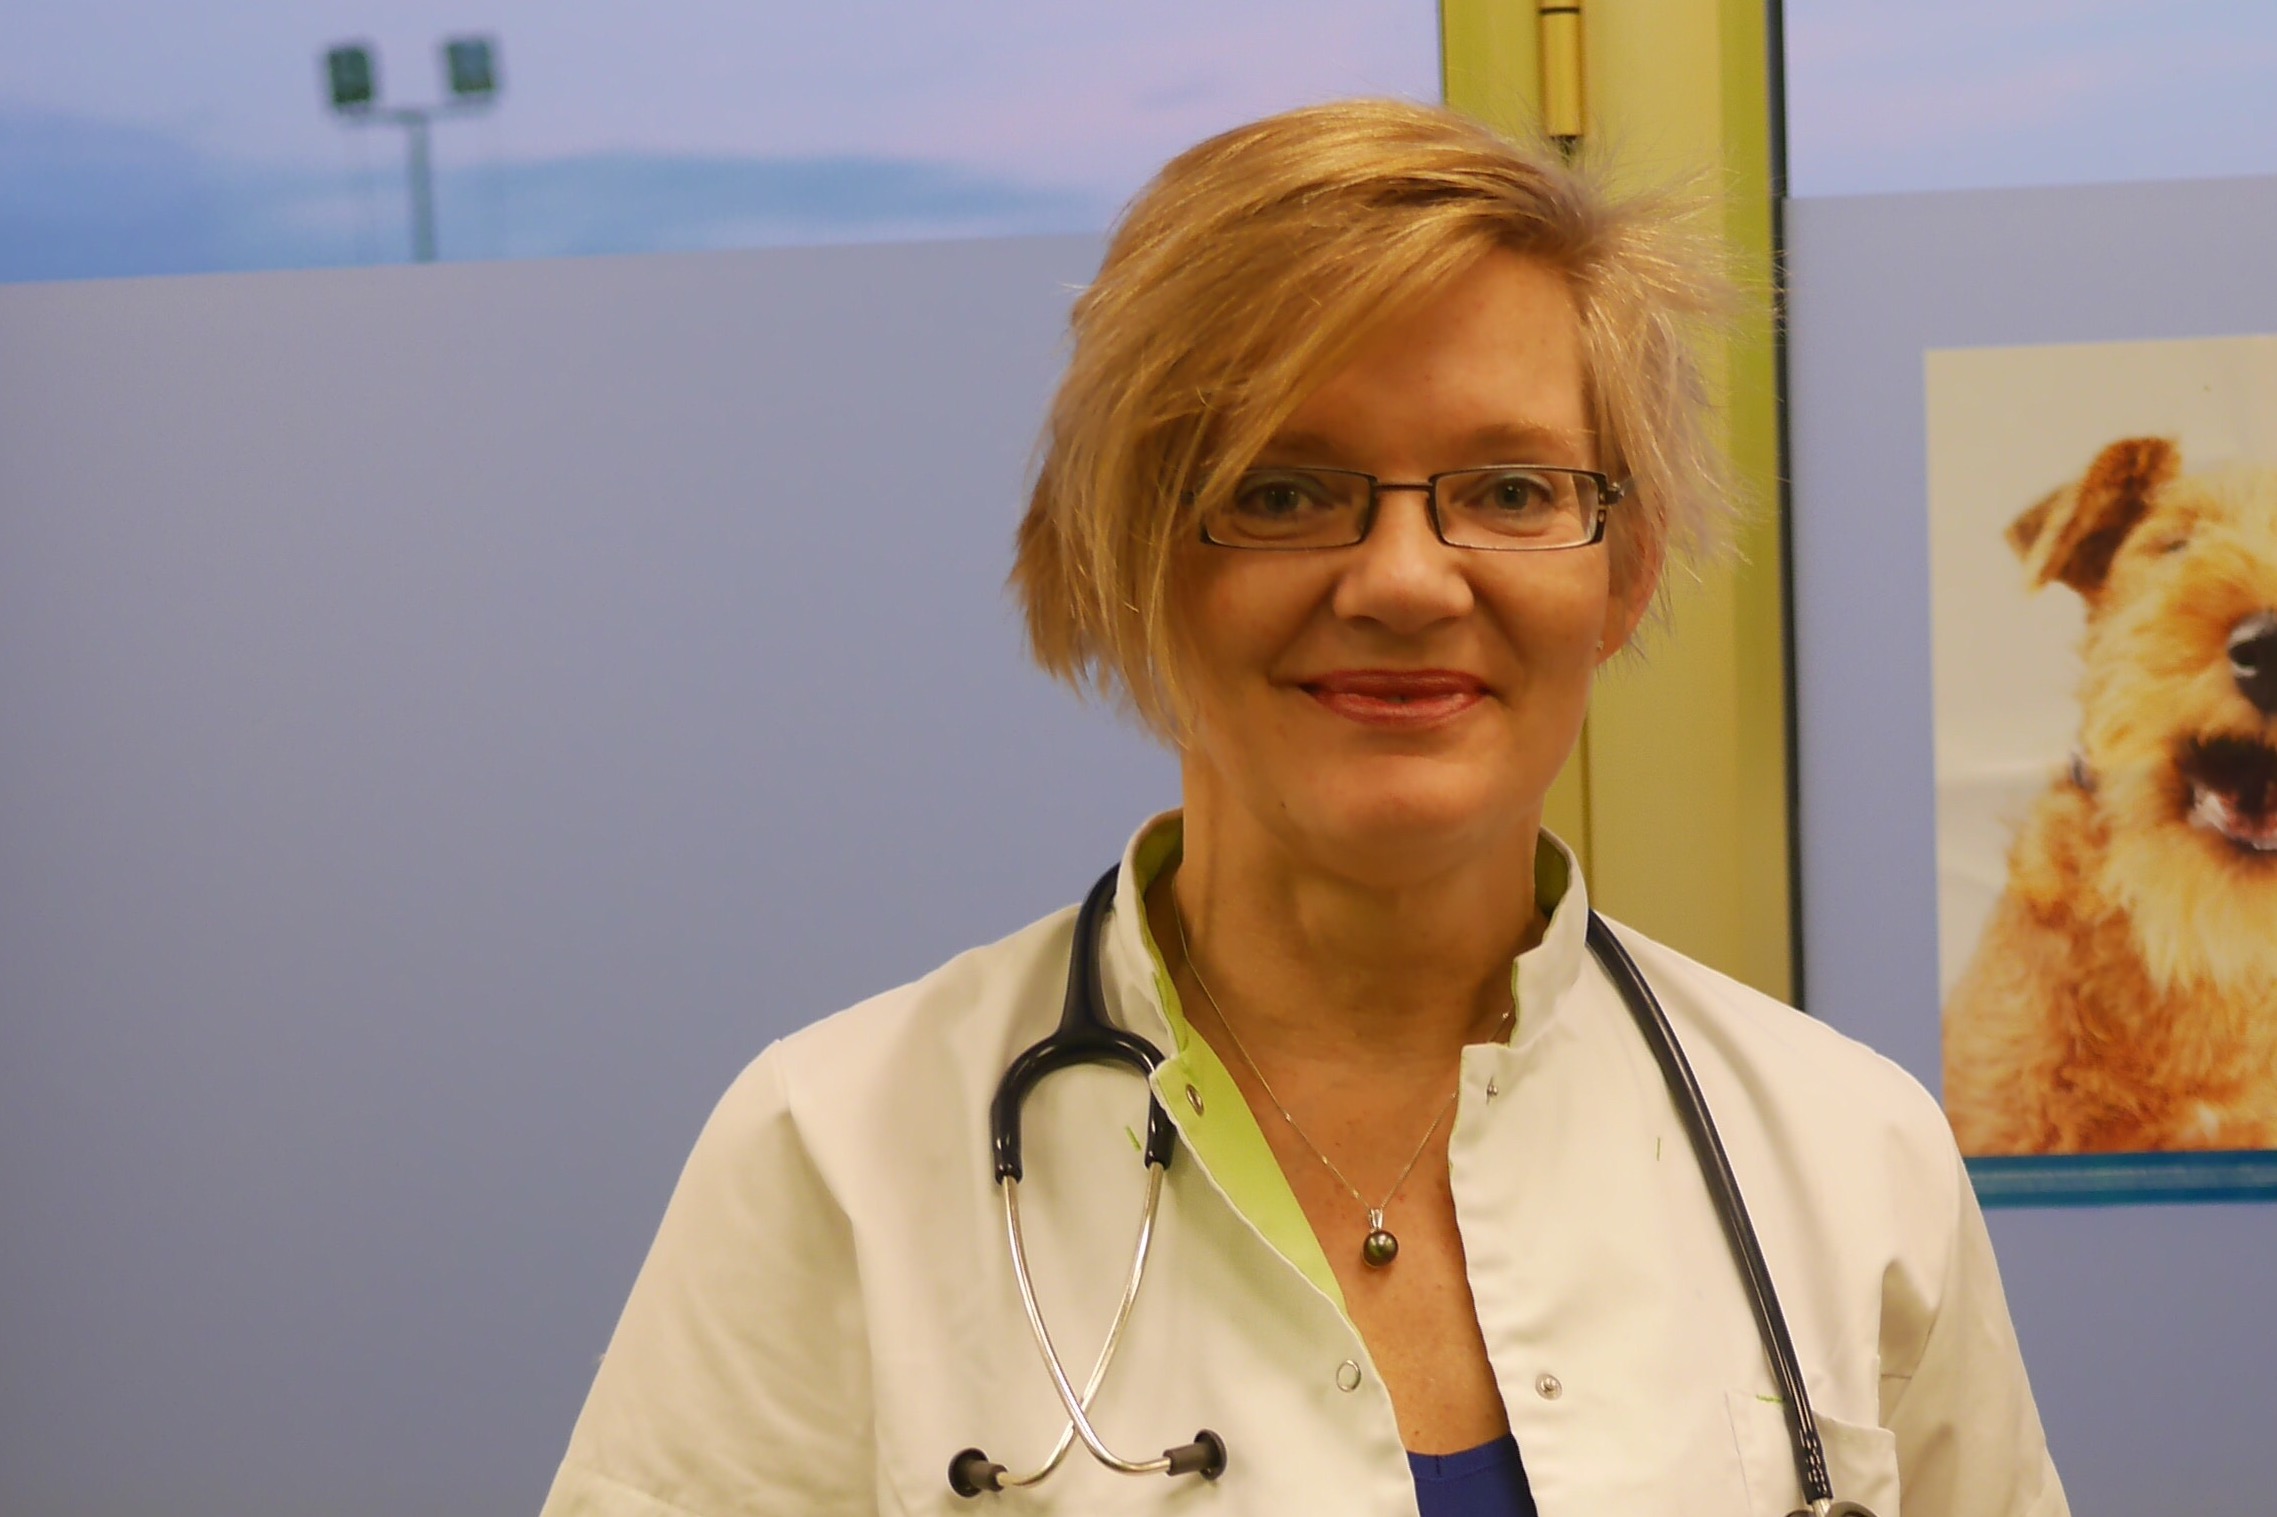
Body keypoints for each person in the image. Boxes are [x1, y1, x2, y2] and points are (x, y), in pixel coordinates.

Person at [539, 99, 2067, 1516]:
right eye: (1281, 491)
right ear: (1127, 560)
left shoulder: (1848, 1158)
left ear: (1624, 572)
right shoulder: (834, 1156)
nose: (1404, 581)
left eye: (1510, 489)